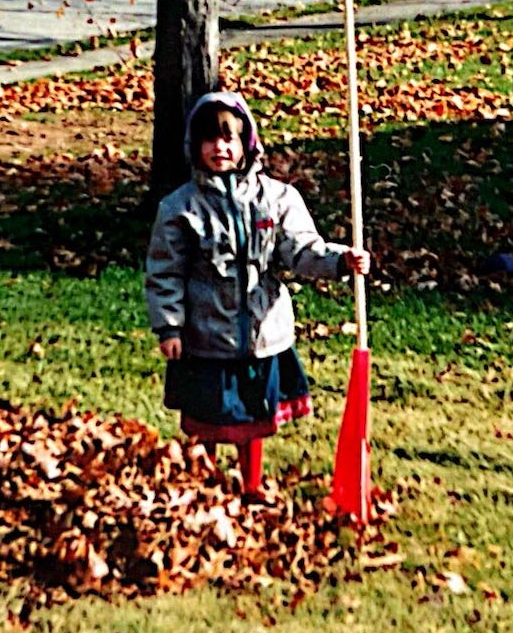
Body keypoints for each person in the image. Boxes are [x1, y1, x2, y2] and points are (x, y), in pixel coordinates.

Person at [145, 90, 371, 500]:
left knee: (252, 415)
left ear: (247, 143)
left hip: (261, 334)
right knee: (207, 417)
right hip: (206, 334)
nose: (221, 148)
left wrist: (340, 260)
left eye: (230, 138)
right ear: (195, 146)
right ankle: (204, 484)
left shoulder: (278, 198)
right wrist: (170, 326)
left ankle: (251, 484)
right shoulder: (180, 208)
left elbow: (302, 250)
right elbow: (165, 272)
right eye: (210, 140)